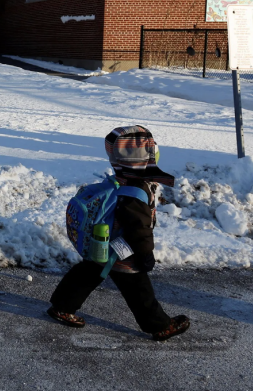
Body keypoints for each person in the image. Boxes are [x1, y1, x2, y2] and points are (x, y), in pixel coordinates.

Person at [46, 125, 191, 341]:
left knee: (87, 273)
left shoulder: (121, 179)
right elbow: (138, 231)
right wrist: (144, 256)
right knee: (139, 291)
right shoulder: (136, 191)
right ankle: (160, 326)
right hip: (124, 251)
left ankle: (62, 306)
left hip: (102, 243)